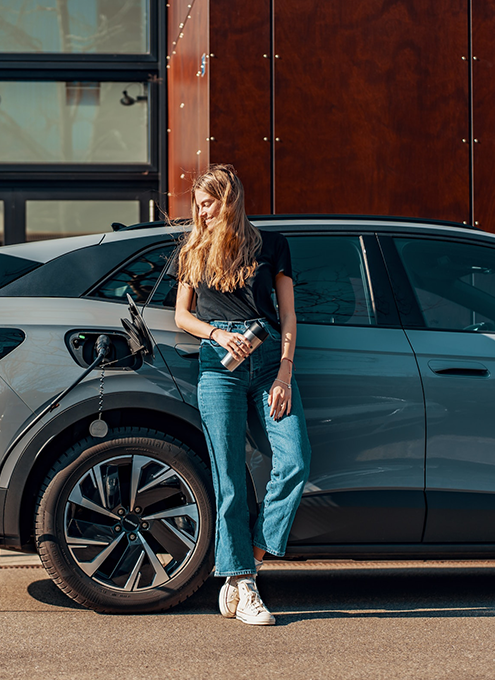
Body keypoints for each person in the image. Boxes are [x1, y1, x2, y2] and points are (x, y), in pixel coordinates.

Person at [173, 164, 311, 626]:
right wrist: (215, 334)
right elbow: (181, 317)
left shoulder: (270, 245)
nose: (201, 211)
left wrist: (284, 375)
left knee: (294, 460)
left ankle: (245, 561)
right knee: (229, 475)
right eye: (198, 204)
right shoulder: (193, 247)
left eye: (207, 203)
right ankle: (243, 583)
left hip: (270, 359)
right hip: (219, 367)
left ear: (228, 199)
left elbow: (288, 316)